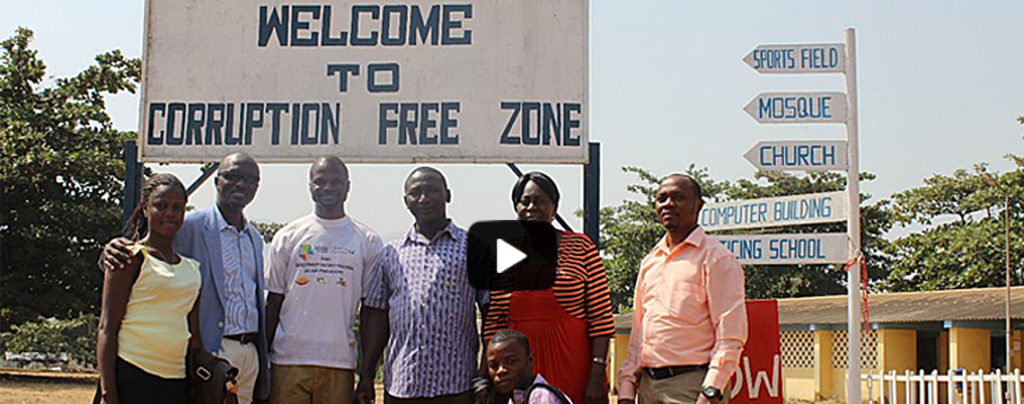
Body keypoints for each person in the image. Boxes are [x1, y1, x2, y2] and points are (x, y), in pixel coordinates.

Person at [101, 153, 270, 403]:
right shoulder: (190, 224)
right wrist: (109, 252)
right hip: (213, 350)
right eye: (233, 177)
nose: (242, 185)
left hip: (245, 356)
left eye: (250, 180)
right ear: (217, 181)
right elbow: (135, 253)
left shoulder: (254, 238)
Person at [356, 167, 489, 404]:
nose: (424, 199)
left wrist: (484, 374)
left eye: (432, 191)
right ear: (405, 201)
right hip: (403, 385)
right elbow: (375, 316)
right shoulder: (391, 253)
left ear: (448, 195)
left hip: (457, 385)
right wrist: (366, 374)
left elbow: (491, 314)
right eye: (415, 193)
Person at [482, 172, 614, 404]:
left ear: (554, 207)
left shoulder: (581, 246)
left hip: (572, 364)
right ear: (516, 207)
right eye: (526, 201)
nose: (533, 207)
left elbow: (601, 317)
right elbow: (494, 321)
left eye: (541, 201)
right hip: (518, 369)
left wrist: (596, 374)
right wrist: (488, 374)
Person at [616, 174, 747, 404]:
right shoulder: (650, 262)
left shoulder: (716, 258)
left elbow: (730, 334)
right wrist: (627, 389)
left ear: (698, 206)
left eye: (678, 197)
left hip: (692, 387)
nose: (668, 204)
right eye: (662, 198)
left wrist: (711, 389)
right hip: (648, 388)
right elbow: (639, 336)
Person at [264, 156, 383, 403]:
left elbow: (371, 311)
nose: (328, 188)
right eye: (320, 182)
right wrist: (264, 358)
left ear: (347, 186)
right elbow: (273, 301)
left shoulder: (367, 240)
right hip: (287, 360)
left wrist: (367, 372)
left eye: (336, 182)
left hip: (339, 363)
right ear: (310, 186)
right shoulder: (288, 236)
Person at [96, 174, 202, 404]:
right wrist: (108, 393)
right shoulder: (129, 258)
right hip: (132, 372)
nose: (170, 214)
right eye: (161, 206)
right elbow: (107, 327)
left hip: (176, 379)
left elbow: (194, 339)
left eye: (177, 207)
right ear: (145, 209)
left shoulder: (192, 269)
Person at [479, 329, 572, 404]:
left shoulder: (541, 397)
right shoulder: (516, 396)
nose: (501, 371)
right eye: (493, 366)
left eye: (510, 362)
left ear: (530, 360)